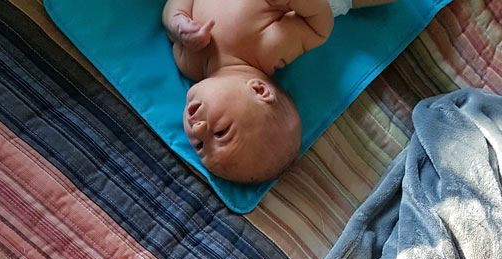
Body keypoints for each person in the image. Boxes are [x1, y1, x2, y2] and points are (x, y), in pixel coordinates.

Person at [162, 0, 396, 183]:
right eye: (221, 132)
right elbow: (317, 28)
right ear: (259, 91)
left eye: (200, 146)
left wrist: (176, 22)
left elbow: (179, 4)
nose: (198, 129)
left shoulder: (188, 62)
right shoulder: (267, 51)